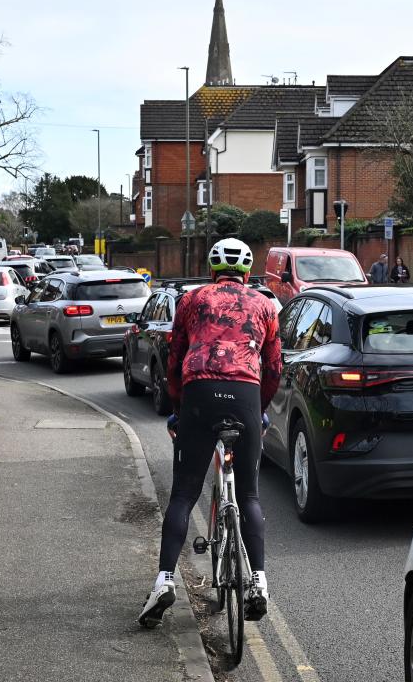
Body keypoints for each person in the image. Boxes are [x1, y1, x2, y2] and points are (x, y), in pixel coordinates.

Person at [138, 238, 282, 629]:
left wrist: (179, 410)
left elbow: (174, 359)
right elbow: (273, 368)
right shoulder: (266, 305)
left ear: (212, 269)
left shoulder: (191, 300)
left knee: (184, 494)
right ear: (247, 272)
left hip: (199, 393)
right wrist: (260, 411)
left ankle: (164, 580)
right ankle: (259, 582)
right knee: (249, 494)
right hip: (245, 396)